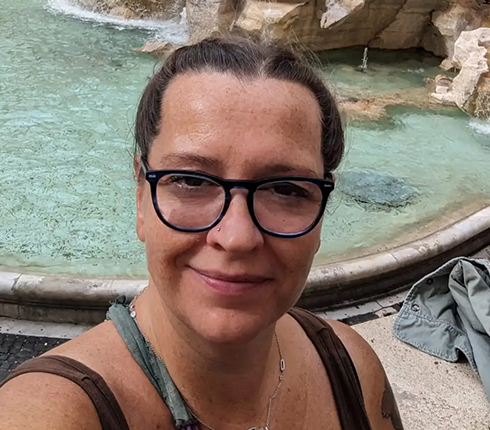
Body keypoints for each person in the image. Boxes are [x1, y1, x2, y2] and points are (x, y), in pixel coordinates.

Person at [0, 34, 403, 430]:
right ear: (141, 195)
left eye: (285, 189)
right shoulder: (53, 412)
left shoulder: (352, 368)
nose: (237, 237)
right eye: (191, 181)